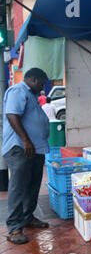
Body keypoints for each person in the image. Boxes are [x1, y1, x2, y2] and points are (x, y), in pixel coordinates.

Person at [2, 68, 51, 244]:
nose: (43, 86)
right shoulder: (18, 91)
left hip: (34, 149)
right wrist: (26, 140)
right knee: (19, 187)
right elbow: (12, 115)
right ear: (33, 80)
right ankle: (15, 228)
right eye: (42, 82)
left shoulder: (31, 95)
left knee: (32, 184)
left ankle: (27, 216)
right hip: (20, 148)